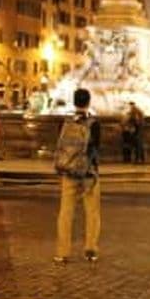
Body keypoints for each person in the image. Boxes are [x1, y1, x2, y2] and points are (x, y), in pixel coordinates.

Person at [54, 88, 101, 264]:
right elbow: (96, 147)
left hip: (69, 171)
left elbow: (60, 145)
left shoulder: (65, 122)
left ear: (74, 102)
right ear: (88, 102)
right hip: (88, 173)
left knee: (66, 212)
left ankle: (62, 252)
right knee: (92, 212)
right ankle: (90, 250)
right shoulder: (94, 123)